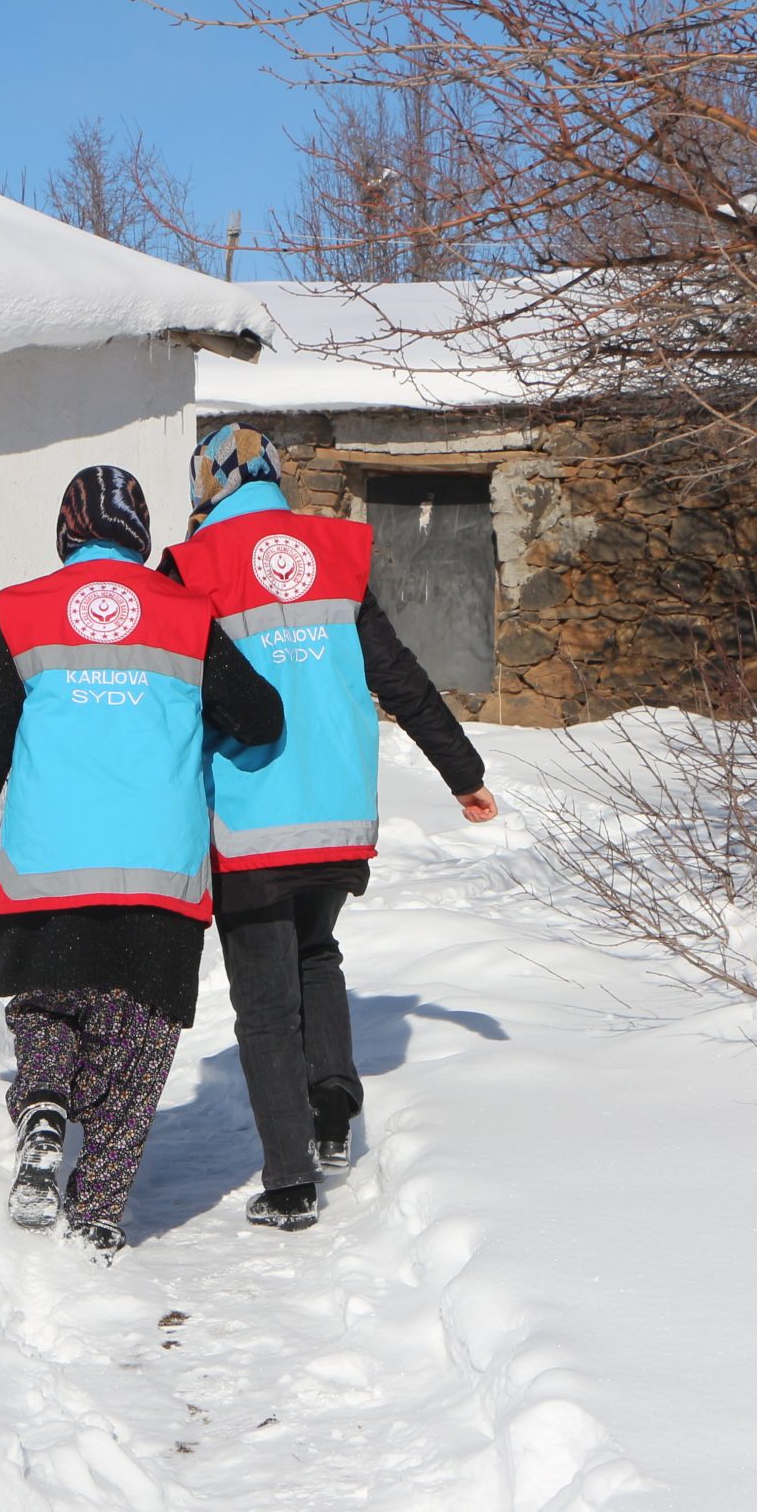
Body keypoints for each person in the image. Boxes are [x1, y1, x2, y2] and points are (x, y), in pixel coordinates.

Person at [0, 465, 282, 1260]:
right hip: (158, 874)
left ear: (67, 530)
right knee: (142, 1032)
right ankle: (97, 1214)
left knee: (49, 1007)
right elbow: (260, 718)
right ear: (139, 530)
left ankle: (46, 1104)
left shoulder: (25, 615)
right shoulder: (187, 615)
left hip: (47, 873)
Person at [163, 425, 497, 1232]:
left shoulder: (191, 566)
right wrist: (465, 772)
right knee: (316, 950)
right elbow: (398, 673)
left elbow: (165, 689)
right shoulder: (335, 553)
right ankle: (333, 1106)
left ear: (211, 480)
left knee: (264, 1001)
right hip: (338, 815)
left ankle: (288, 1181)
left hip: (250, 814)